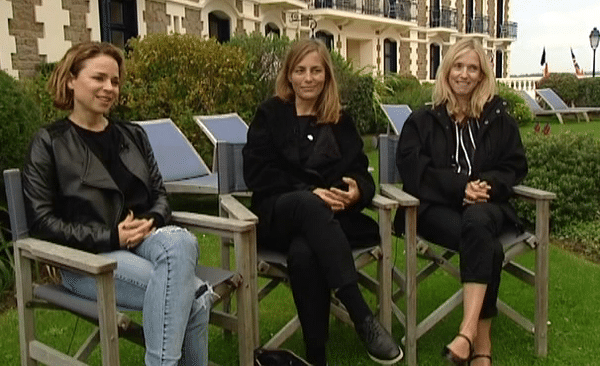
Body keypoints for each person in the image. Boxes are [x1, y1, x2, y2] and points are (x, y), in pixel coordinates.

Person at [22, 42, 213, 366]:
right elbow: (42, 221)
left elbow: (160, 194)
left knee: (180, 239)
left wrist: (151, 219)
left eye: (114, 81)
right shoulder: (50, 142)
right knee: (195, 297)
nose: (109, 88)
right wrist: (113, 237)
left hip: (148, 242)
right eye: (99, 78)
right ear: (70, 80)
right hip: (88, 257)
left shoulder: (133, 135)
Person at [243, 38, 403, 366]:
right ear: (288, 75)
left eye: (316, 70)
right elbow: (256, 172)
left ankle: (317, 359)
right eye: (300, 70)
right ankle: (361, 316)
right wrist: (307, 190)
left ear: (327, 75)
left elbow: (360, 172)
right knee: (306, 204)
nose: (308, 78)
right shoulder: (270, 114)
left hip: (328, 224)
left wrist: (357, 190)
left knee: (304, 254)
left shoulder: (338, 121)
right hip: (278, 214)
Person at [394, 38, 527, 366]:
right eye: (458, 66)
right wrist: (460, 188)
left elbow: (515, 166)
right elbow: (412, 170)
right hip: (436, 209)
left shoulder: (498, 118)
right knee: (490, 248)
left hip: (486, 206)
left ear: (483, 76)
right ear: (446, 71)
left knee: (478, 222)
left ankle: (466, 333)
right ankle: (481, 343)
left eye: (473, 68)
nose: (464, 74)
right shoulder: (422, 120)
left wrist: (489, 186)